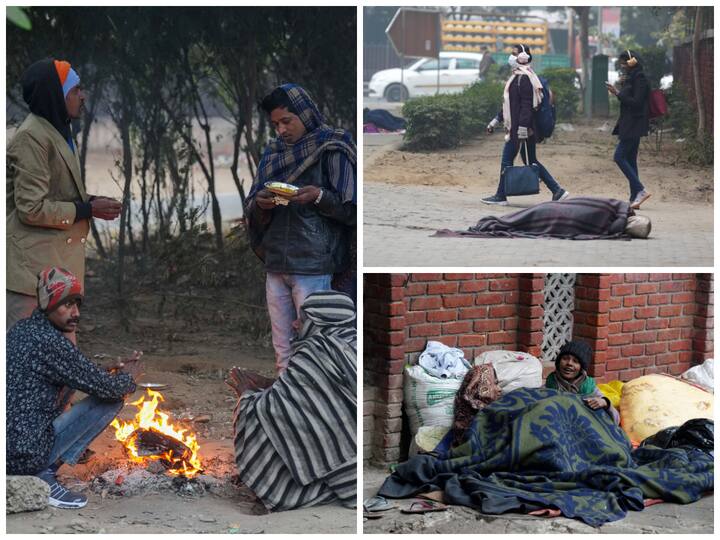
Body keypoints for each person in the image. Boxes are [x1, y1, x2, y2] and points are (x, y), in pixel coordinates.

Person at [6, 267, 143, 509]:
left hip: (8, 446)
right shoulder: (51, 342)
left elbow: (72, 373)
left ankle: (40, 468)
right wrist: (129, 378)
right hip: (23, 454)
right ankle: (43, 474)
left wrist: (101, 370)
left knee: (73, 387)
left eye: (77, 304)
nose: (75, 313)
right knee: (112, 398)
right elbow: (108, 389)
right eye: (67, 305)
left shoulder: (22, 329)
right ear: (48, 304)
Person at [245, 84, 356, 374]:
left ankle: (316, 410)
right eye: (275, 124)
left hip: (314, 265)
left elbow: (351, 208)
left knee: (314, 348)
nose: (281, 130)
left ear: (305, 115)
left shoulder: (333, 146)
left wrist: (318, 196)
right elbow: (253, 202)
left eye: (286, 121)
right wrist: (260, 204)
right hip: (276, 263)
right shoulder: (273, 153)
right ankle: (286, 408)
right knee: (283, 349)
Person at [7, 58, 122, 331]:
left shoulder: (57, 131)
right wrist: (86, 210)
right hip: (31, 276)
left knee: (60, 362)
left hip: (53, 273)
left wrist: (90, 204)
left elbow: (56, 193)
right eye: (75, 90)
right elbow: (32, 208)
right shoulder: (32, 137)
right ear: (55, 96)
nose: (82, 96)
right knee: (24, 364)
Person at [228, 291, 357, 511]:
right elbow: (310, 396)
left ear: (320, 321)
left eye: (303, 319)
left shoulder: (315, 350)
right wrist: (267, 382)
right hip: (352, 456)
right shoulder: (349, 344)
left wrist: (246, 394)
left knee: (255, 414)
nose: (295, 324)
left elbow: (280, 410)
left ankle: (281, 489)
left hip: (338, 455)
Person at [482, 44, 569, 205]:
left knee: (507, 160)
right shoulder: (518, 77)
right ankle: (557, 190)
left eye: (514, 54)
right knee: (531, 161)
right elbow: (510, 105)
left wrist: (522, 128)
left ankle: (501, 196)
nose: (511, 57)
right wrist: (495, 121)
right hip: (523, 128)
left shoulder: (525, 79)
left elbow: (527, 106)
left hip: (521, 129)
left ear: (523, 57)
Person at [435, 196, 651, 240]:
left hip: (557, 215)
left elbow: (614, 228)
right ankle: (500, 221)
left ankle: (500, 221)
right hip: (559, 209)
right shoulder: (618, 208)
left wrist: (623, 221)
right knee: (526, 217)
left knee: (525, 221)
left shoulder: (616, 224)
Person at [607, 50, 651, 209]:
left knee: (619, 156)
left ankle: (640, 190)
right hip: (630, 122)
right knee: (631, 160)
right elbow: (629, 96)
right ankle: (635, 199)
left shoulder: (639, 78)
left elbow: (637, 102)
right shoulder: (632, 77)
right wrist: (621, 85)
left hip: (634, 123)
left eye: (624, 63)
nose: (622, 66)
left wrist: (618, 92)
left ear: (631, 62)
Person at [545, 340, 619, 425]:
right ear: (558, 362)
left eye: (575, 361)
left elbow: (616, 420)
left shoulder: (589, 388)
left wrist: (605, 402)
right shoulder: (549, 385)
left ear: (581, 368)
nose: (569, 363)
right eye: (565, 358)